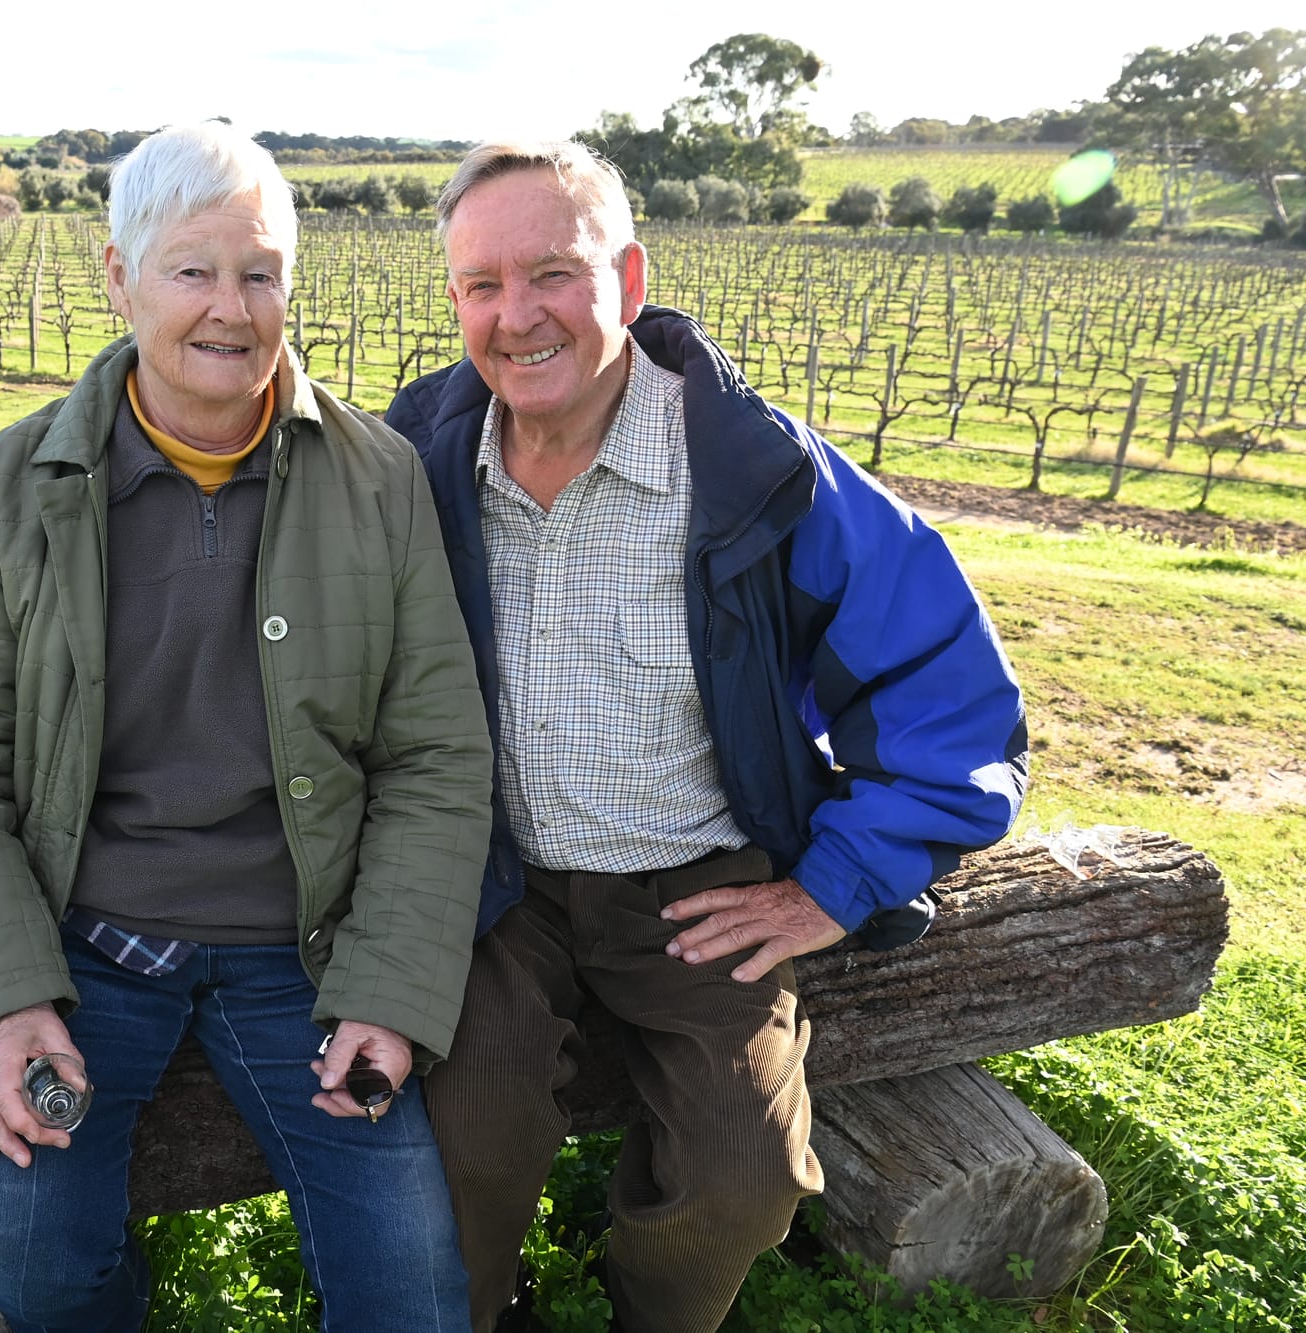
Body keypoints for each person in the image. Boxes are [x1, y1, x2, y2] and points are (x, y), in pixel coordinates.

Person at [0, 122, 493, 1332]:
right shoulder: (16, 479)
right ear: (118, 277)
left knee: (410, 1285)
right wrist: (2, 996)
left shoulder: (379, 478)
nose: (229, 308)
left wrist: (389, 994)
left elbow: (435, 758)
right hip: (81, 942)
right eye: (192, 271)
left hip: (302, 954)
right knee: (28, 1242)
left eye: (259, 272)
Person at [385, 141, 1031, 1333]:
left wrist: (833, 886)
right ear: (454, 302)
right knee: (459, 1140)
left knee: (743, 1179)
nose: (514, 315)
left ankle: (645, 1311)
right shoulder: (413, 466)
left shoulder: (758, 475)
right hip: (492, 882)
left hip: (693, 878)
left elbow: (951, 696)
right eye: (480, 284)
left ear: (626, 278)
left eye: (551, 273)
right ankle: (483, 1314)